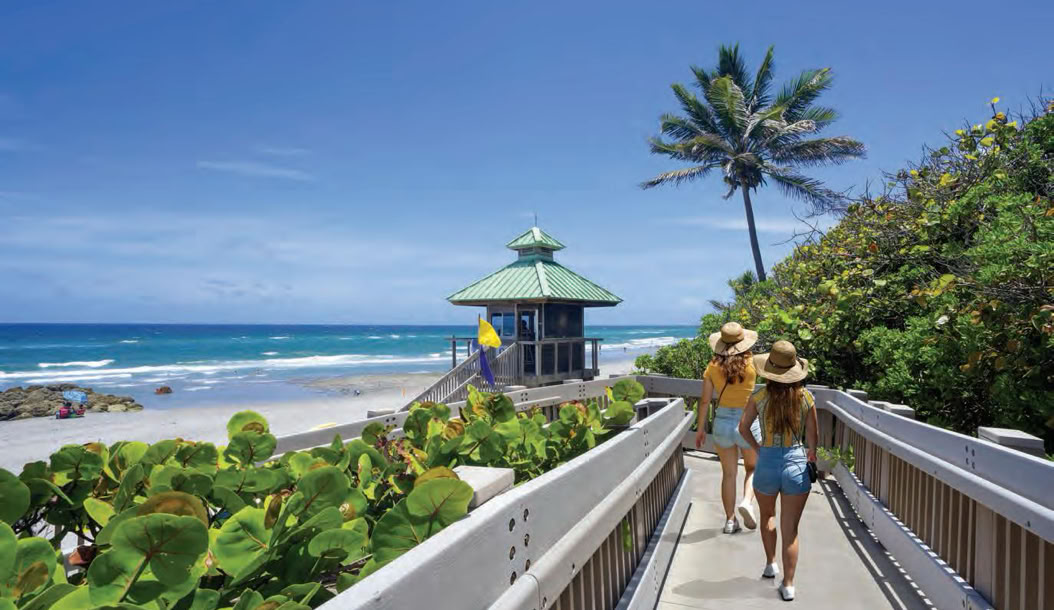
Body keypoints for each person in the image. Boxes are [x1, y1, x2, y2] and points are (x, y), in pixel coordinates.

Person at [739, 340, 818, 602]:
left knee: (768, 516)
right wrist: (811, 454)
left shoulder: (759, 398)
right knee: (791, 529)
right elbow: (813, 436)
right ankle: (789, 584)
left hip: (767, 463)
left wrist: (759, 449)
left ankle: (771, 563)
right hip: (796, 463)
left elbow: (743, 428)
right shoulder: (806, 397)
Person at [694, 322, 762, 534]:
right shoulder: (753, 363)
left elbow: (705, 401)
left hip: (722, 422)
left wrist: (700, 428)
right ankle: (747, 502)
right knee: (753, 468)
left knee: (729, 474)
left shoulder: (712, 367)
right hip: (747, 422)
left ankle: (730, 520)